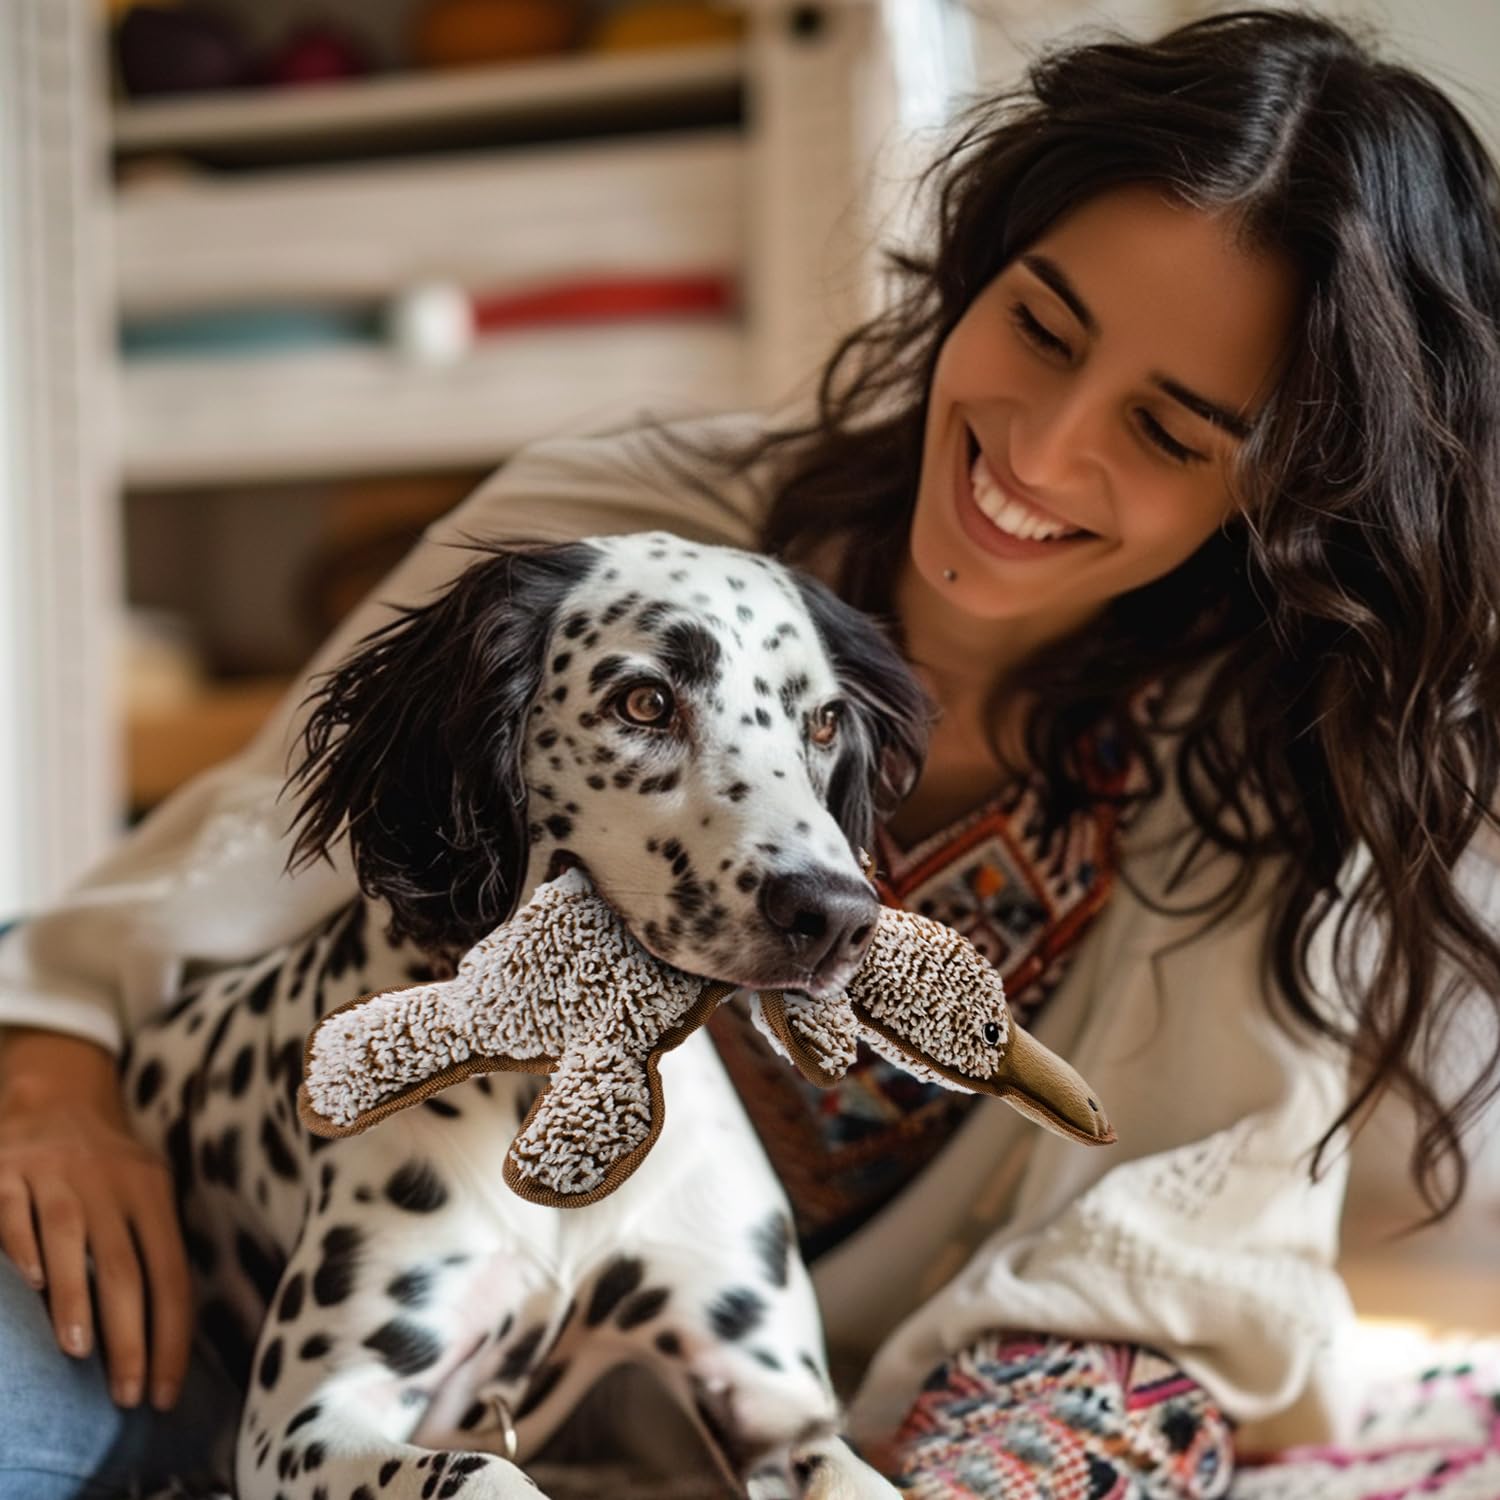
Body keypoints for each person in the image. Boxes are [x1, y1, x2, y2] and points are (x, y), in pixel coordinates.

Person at [4, 8, 1500, 1497]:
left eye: (1169, 433)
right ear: (980, 267)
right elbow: (225, 867)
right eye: (1040, 328)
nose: (1039, 453)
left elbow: (1177, 1253)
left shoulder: (1264, 781)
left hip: (755, 1396)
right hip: (255, 1246)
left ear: (1287, 494)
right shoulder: (608, 534)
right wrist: (54, 1082)